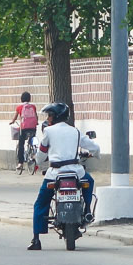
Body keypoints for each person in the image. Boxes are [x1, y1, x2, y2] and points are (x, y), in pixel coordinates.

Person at [28, 102, 100, 251]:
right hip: (76, 172)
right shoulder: (76, 131)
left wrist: (37, 161)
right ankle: (87, 210)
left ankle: (36, 239)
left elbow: (41, 153)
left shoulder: (48, 131)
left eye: (50, 115)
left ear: (56, 116)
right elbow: (94, 147)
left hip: (55, 174)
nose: (48, 118)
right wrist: (96, 155)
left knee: (41, 203)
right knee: (89, 181)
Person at [10, 91, 40, 169]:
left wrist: (12, 122)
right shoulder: (33, 106)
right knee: (32, 141)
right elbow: (36, 116)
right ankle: (33, 153)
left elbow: (15, 118)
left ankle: (20, 163)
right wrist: (36, 123)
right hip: (33, 127)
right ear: (29, 98)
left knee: (21, 144)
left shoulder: (19, 107)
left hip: (24, 128)